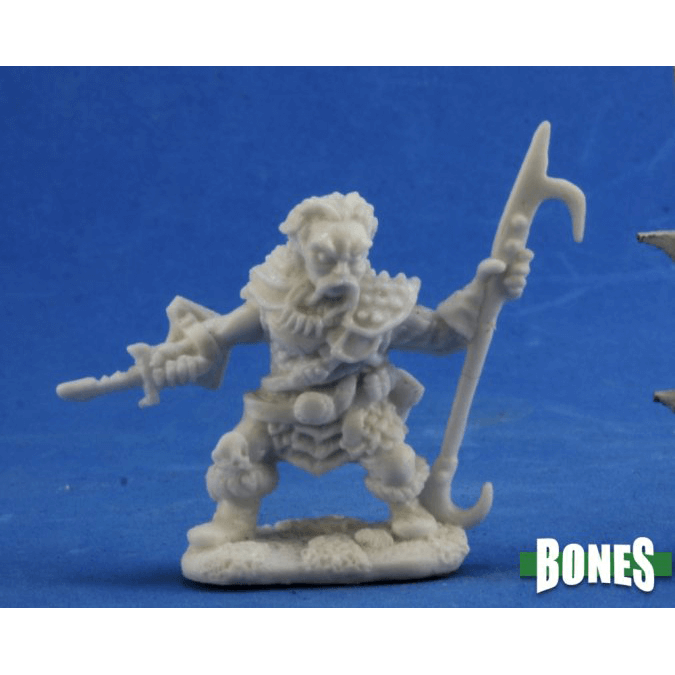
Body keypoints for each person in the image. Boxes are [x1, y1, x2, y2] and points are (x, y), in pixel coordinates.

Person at [148, 192, 531, 548]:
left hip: (358, 409)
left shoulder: (381, 307)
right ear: (301, 250)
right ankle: (233, 521)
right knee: (237, 456)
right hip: (279, 412)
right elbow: (216, 335)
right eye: (326, 258)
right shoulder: (272, 303)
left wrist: (484, 292)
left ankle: (407, 512)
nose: (342, 272)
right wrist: (175, 360)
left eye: (354, 259)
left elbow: (441, 335)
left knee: (396, 465)